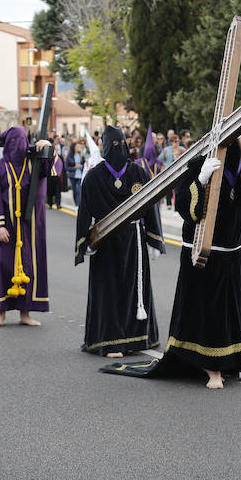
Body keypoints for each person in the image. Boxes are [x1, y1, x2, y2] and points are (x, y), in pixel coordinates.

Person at [101, 135, 241, 389]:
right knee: (207, 312)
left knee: (230, 312)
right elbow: (186, 209)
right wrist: (200, 179)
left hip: (232, 256)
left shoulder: (240, 166)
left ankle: (232, 359)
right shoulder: (198, 163)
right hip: (202, 254)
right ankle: (212, 368)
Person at [75, 125, 165, 357]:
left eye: (120, 144)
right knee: (110, 291)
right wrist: (84, 242)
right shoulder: (94, 177)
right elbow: (85, 211)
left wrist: (154, 238)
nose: (118, 148)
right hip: (106, 244)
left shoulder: (138, 174)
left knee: (133, 291)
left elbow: (150, 205)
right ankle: (110, 342)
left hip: (134, 242)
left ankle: (137, 338)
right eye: (114, 144)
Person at [0, 127, 55, 326]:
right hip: (7, 227)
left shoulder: (34, 163)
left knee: (30, 268)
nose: (19, 146)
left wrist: (47, 150)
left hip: (31, 227)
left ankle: (26, 313)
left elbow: (51, 171)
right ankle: (1, 313)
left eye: (23, 140)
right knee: (4, 266)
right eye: (15, 141)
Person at [65, 141, 84, 207]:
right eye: (77, 147)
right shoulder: (69, 156)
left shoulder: (81, 155)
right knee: (74, 190)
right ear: (74, 148)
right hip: (72, 175)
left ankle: (78, 204)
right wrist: (74, 167)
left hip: (80, 175)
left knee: (79, 190)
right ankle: (76, 203)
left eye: (79, 146)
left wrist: (81, 166)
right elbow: (66, 167)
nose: (79, 148)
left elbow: (84, 164)